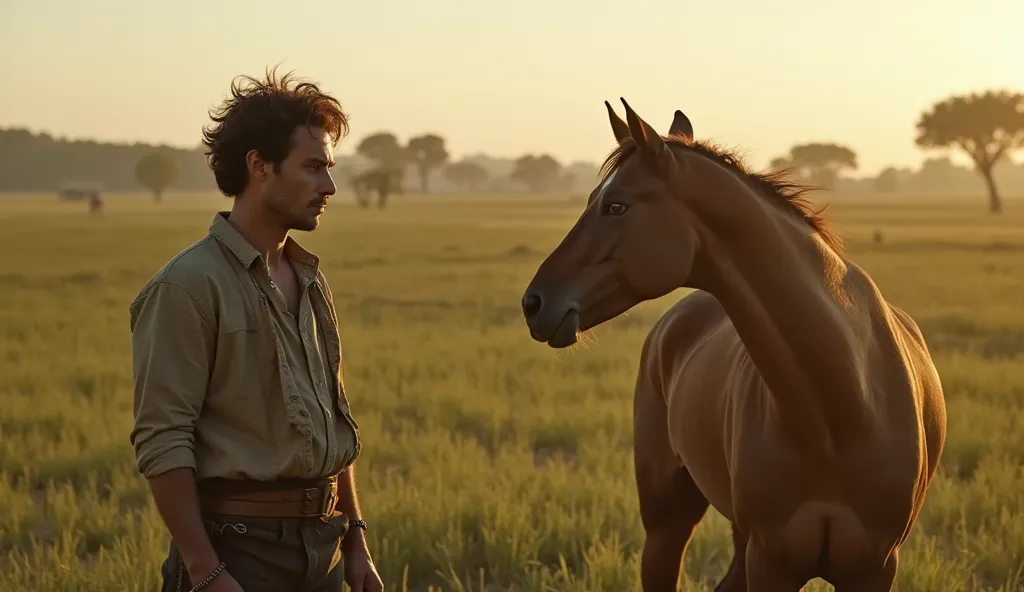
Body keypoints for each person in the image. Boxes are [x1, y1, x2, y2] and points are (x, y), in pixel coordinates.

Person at [129, 67, 383, 592]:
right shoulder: (187, 287)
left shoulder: (310, 279)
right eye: (313, 167)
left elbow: (332, 422)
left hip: (324, 549)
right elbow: (163, 438)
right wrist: (206, 571)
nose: (329, 186)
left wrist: (355, 540)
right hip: (238, 554)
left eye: (329, 168)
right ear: (259, 166)